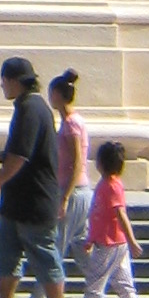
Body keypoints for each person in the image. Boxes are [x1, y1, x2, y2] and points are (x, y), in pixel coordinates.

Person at [0, 55, 69, 298]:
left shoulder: (31, 108)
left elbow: (20, 157)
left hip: (35, 200)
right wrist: (0, 156)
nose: (2, 86)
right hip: (17, 202)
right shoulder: (28, 106)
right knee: (6, 254)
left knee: (43, 255)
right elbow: (19, 151)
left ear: (15, 81)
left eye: (3, 80)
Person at [73, 138, 148, 298]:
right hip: (110, 242)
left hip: (110, 243)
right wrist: (91, 238)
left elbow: (120, 215)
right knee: (123, 284)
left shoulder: (112, 186)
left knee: (95, 282)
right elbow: (98, 216)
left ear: (101, 163)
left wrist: (132, 241)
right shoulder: (105, 185)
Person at [51, 69, 91, 261]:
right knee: (81, 244)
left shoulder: (71, 124)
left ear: (57, 95)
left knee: (57, 244)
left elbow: (77, 161)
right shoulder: (73, 121)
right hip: (80, 189)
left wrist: (65, 197)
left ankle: (46, 284)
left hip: (72, 191)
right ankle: (101, 276)